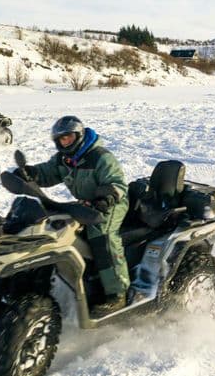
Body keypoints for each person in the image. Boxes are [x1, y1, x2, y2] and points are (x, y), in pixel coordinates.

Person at [14, 116, 130, 317]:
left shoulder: (100, 157)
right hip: (86, 204)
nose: (64, 142)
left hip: (111, 204)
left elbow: (117, 184)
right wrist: (30, 173)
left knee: (102, 236)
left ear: (79, 135)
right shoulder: (65, 159)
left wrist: (105, 199)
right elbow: (48, 172)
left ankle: (117, 294)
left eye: (67, 138)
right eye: (60, 140)